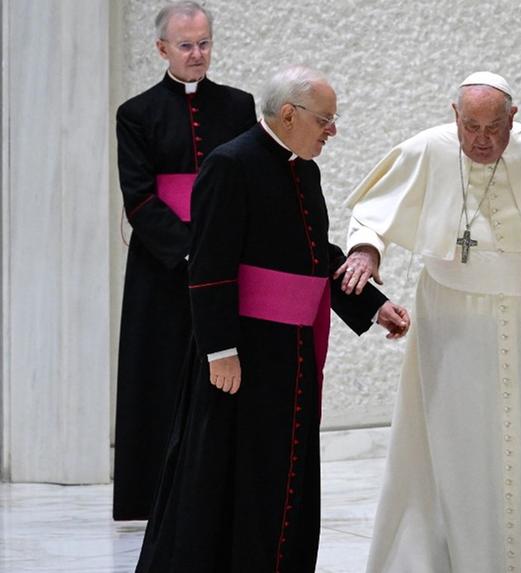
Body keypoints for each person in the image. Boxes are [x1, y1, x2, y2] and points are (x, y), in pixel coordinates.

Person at [135, 65, 410, 573]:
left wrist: (373, 305)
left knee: (284, 478)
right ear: (288, 114)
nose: (333, 130)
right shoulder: (230, 164)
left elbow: (316, 257)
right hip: (242, 356)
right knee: (231, 479)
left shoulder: (304, 169)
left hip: (293, 355)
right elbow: (210, 263)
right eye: (325, 119)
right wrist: (220, 351)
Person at [341, 71, 521, 573]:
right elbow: (371, 214)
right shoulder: (427, 149)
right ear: (454, 116)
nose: (481, 140)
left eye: (493, 127)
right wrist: (367, 251)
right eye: (470, 126)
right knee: (454, 451)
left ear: (513, 118)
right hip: (452, 328)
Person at [113, 1, 256, 521]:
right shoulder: (135, 114)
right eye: (186, 45)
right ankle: (152, 493)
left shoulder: (239, 106)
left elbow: (246, 182)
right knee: (160, 370)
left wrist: (222, 248)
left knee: (223, 369)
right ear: (162, 49)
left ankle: (215, 489)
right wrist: (192, 249)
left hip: (227, 263)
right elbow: (140, 199)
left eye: (204, 44)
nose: (198, 54)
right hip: (162, 264)